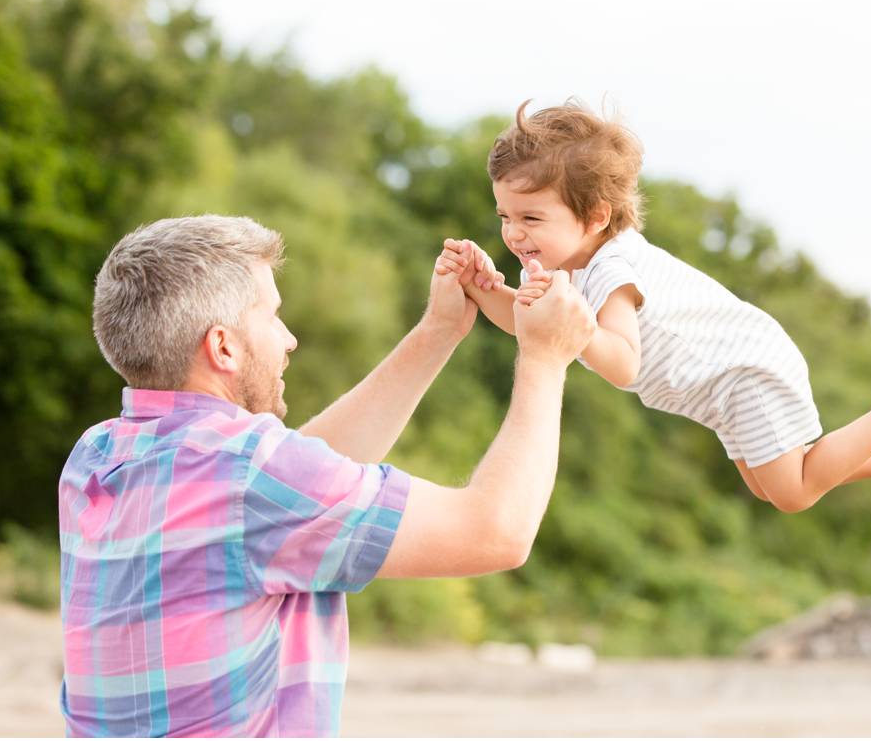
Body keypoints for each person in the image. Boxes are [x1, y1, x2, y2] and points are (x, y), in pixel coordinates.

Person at [59, 214, 596, 736]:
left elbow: (295, 481)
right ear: (223, 347)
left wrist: (437, 333)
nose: (289, 339)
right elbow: (495, 533)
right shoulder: (252, 473)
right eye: (271, 316)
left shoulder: (96, 459)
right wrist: (545, 358)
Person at [441, 99, 871, 523]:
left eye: (531, 216)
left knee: (792, 492)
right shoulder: (569, 269)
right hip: (715, 391)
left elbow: (621, 360)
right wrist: (482, 286)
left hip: (743, 372)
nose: (513, 232)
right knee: (766, 485)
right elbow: (533, 329)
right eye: (505, 215)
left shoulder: (610, 269)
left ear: (596, 215)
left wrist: (572, 326)